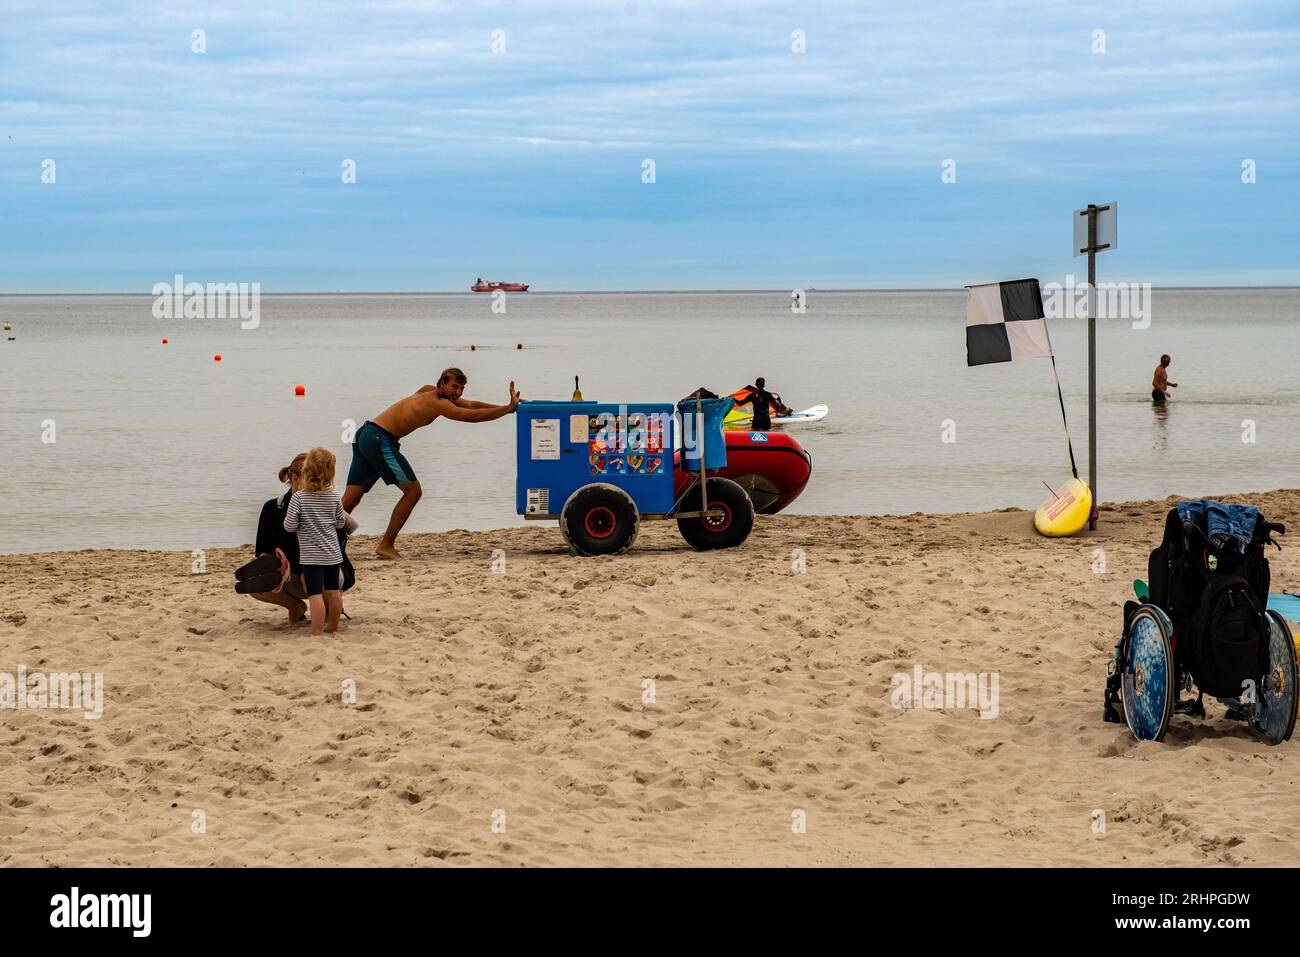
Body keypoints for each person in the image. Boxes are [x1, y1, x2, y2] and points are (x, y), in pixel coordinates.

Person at [342, 368, 520, 560]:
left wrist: (511, 408)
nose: (458, 393)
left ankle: (326, 541)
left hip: (365, 433)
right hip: (379, 438)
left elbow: (471, 405)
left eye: (461, 388)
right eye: (454, 387)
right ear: (442, 383)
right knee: (413, 492)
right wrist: (506, 409)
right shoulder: (439, 404)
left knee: (351, 498)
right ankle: (386, 545)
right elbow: (472, 416)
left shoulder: (427, 390)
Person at [284, 447, 348, 636]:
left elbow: (289, 525)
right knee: (333, 591)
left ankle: (317, 631)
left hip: (311, 557)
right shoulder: (334, 497)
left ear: (305, 471)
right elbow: (340, 522)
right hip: (332, 554)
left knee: (315, 595)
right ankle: (334, 627)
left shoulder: (299, 498)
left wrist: (302, 524)